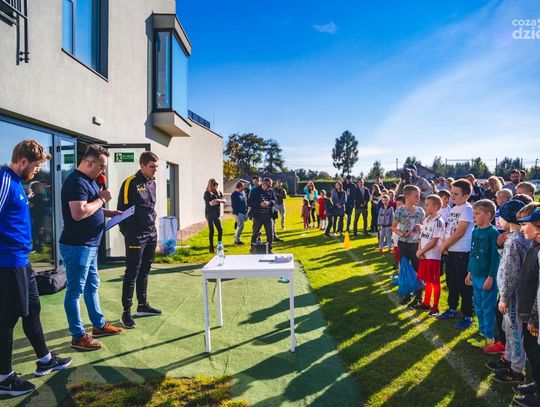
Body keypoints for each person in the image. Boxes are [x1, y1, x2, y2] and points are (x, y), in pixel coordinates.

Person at [0, 140, 72, 397]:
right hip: (8, 263)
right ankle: (4, 379)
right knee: (7, 319)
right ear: (22, 161)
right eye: (36, 166)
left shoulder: (17, 184)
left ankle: (45, 360)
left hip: (22, 261)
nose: (37, 171)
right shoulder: (4, 180)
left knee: (32, 309)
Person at [60, 144, 124, 351]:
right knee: (75, 292)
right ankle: (78, 336)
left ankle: (98, 325)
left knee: (91, 286)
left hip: (89, 245)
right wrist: (102, 198)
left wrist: (109, 212)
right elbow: (79, 213)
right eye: (101, 166)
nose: (102, 171)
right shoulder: (76, 182)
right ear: (89, 162)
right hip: (77, 246)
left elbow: (91, 207)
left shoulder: (88, 181)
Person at [486, 200, 530, 383]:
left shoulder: (515, 240)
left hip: (513, 295)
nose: (498, 220)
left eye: (500, 217)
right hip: (514, 293)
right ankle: (509, 358)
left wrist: (504, 296)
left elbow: (511, 272)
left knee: (514, 330)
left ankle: (517, 370)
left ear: (508, 218)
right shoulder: (516, 238)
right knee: (509, 328)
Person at [117, 152, 161, 329]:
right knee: (132, 272)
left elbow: (150, 208)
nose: (155, 170)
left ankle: (142, 305)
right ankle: (126, 313)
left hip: (151, 233)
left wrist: (152, 230)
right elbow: (121, 211)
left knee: (145, 270)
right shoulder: (130, 183)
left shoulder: (153, 183)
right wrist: (128, 233)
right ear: (142, 166)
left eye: (156, 166)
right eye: (152, 166)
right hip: (135, 234)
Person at [437, 179, 475, 330]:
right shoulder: (454, 209)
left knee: (463, 285)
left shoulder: (467, 209)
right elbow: (449, 229)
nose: (452, 196)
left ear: (466, 196)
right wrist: (445, 245)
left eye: (456, 194)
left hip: (462, 252)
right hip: (451, 251)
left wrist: (445, 245)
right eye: (451, 192)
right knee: (451, 282)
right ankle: (452, 309)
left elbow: (460, 232)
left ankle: (467, 315)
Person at [514, 203, 540, 407]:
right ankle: (536, 382)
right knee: (532, 351)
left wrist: (533, 319)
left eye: (525, 225)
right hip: (530, 313)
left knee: (537, 354)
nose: (521, 229)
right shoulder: (534, 246)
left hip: (535, 317)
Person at [465, 199, 500, 347]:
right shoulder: (475, 231)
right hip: (476, 276)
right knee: (478, 307)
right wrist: (469, 272)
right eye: (474, 213)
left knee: (487, 308)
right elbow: (472, 253)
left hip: (487, 278)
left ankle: (489, 337)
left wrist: (491, 277)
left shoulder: (493, 233)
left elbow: (495, 258)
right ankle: (481, 333)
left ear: (488, 215)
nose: (474, 216)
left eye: (477, 213)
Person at [391, 185, 425, 306]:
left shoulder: (420, 211)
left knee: (417, 268)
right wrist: (402, 234)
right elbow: (393, 227)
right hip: (403, 244)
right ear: (407, 197)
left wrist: (421, 227)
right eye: (416, 196)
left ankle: (418, 295)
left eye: (419, 196)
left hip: (416, 244)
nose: (418, 198)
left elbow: (425, 226)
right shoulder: (399, 210)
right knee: (405, 269)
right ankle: (406, 294)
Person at [411, 194, 445, 316]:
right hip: (424, 255)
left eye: (427, 205)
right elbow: (422, 237)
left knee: (434, 281)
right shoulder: (426, 220)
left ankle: (435, 307)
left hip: (433, 256)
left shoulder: (439, 221)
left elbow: (434, 241)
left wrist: (421, 251)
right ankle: (426, 303)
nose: (425, 207)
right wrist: (419, 250)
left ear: (435, 207)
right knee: (427, 280)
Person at [249, 177, 276, 253]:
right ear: (263, 184)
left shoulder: (271, 191)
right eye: (268, 185)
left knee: (270, 233)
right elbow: (250, 202)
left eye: (271, 186)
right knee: (255, 233)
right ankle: (253, 249)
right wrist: (260, 204)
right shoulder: (255, 191)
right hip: (258, 216)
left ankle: (269, 249)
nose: (269, 187)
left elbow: (275, 200)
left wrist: (269, 202)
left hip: (268, 215)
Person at [203, 179, 226, 253]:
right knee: (212, 230)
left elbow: (224, 201)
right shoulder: (207, 193)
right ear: (210, 185)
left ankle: (219, 246)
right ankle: (211, 247)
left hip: (216, 214)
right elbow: (211, 203)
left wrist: (217, 200)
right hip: (209, 213)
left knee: (220, 230)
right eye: (214, 184)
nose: (215, 185)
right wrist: (219, 200)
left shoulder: (218, 192)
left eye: (216, 184)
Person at [28, 182, 47, 253]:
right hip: (34, 216)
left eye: (33, 187)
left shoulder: (39, 195)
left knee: (37, 232)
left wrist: (26, 202)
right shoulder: (33, 195)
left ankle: (38, 248)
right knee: (34, 232)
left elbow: (32, 205)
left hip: (38, 216)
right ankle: (35, 247)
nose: (31, 188)